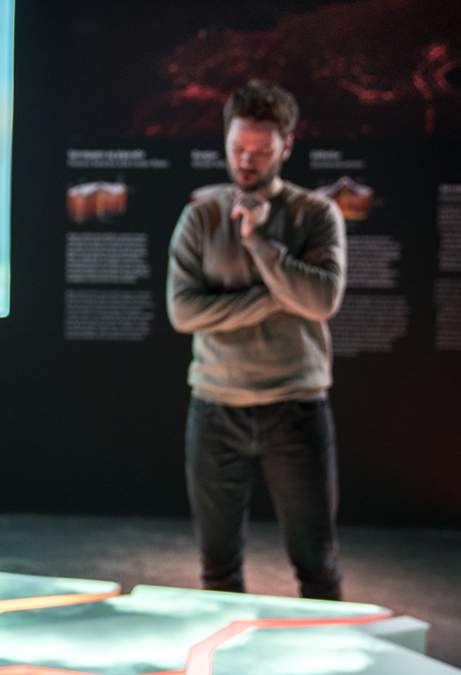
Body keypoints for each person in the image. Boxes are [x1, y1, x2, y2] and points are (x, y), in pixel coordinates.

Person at [166, 79, 347, 600]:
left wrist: (259, 245)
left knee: (318, 565)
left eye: (261, 151)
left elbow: (321, 302)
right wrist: (280, 294)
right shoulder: (200, 217)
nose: (247, 160)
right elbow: (184, 312)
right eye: (238, 148)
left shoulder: (315, 214)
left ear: (286, 146)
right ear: (225, 139)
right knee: (217, 570)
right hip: (215, 407)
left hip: (296, 407)